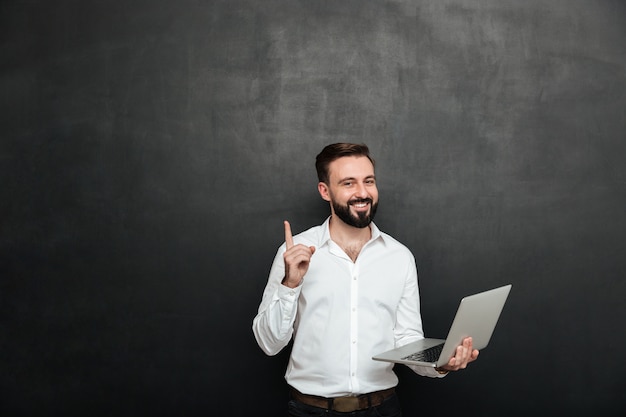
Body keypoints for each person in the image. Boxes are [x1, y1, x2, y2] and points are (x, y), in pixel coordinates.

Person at [252, 143, 479, 416]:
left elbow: (407, 339)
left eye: (368, 181)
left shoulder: (400, 256)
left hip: (382, 409)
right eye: (348, 183)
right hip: (310, 410)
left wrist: (441, 363)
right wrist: (290, 284)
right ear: (325, 191)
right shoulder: (293, 253)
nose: (362, 193)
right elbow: (269, 343)